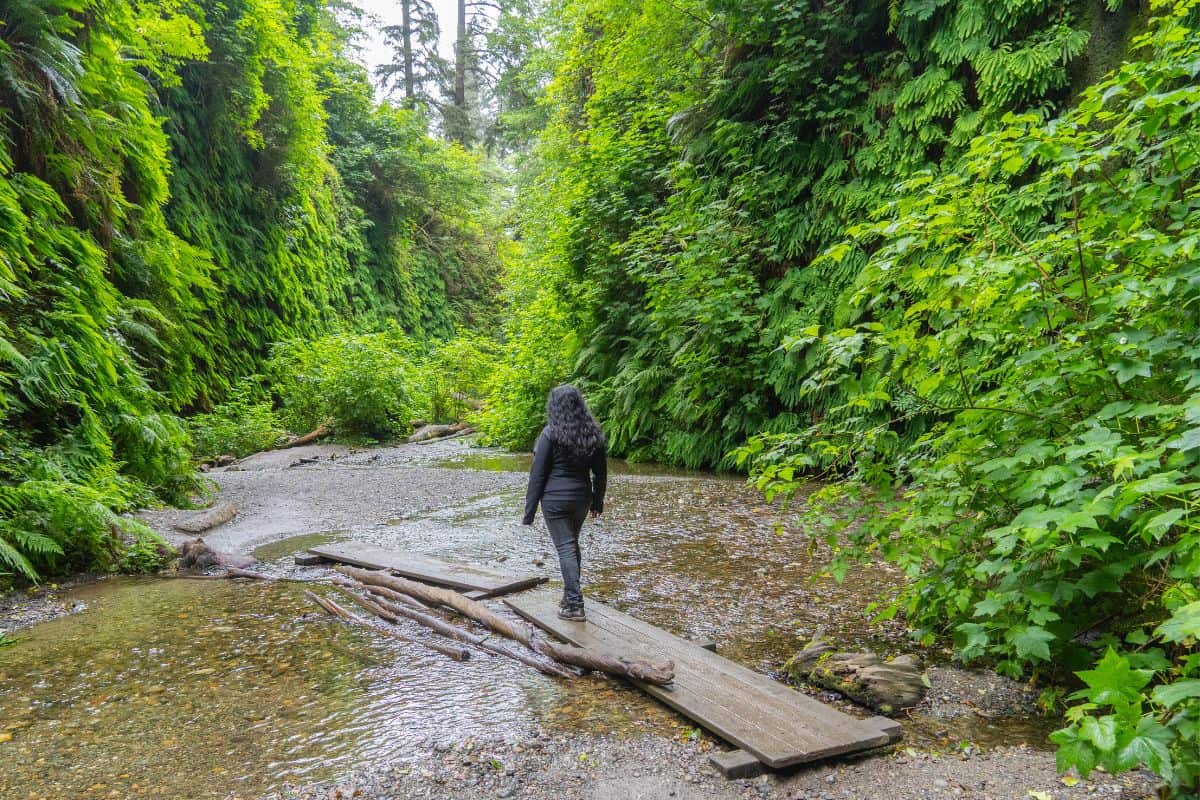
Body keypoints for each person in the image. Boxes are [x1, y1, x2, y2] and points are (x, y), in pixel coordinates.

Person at [522, 384, 607, 621]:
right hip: (581, 498)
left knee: (566, 547)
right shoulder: (593, 434)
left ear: (555, 407)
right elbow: (600, 473)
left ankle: (573, 603)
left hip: (555, 500)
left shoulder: (550, 433)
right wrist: (597, 501)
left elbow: (537, 474)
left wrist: (529, 512)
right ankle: (571, 597)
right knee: (571, 545)